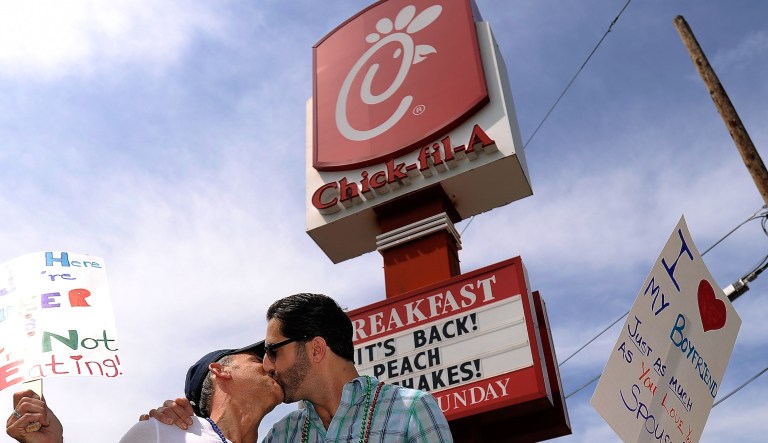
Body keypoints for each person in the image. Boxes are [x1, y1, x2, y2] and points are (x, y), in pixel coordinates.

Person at [151, 293, 454, 442]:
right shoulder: (283, 435)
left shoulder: (412, 409)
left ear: (316, 349)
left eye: (272, 351)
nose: (268, 366)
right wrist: (167, 424)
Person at [7, 340, 283, 443]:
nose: (271, 366)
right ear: (221, 370)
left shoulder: (289, 435)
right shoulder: (163, 432)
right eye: (258, 359)